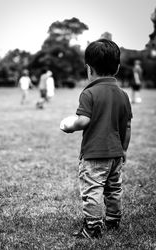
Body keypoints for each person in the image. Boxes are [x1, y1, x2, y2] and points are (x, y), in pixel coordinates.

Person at [60, 39, 132, 239]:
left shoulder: (89, 93)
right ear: (117, 68)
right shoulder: (123, 95)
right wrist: (124, 149)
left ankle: (92, 227)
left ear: (89, 69)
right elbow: (127, 125)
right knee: (113, 188)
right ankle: (113, 220)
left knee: (92, 189)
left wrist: (68, 125)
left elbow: (83, 121)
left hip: (94, 153)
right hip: (116, 153)